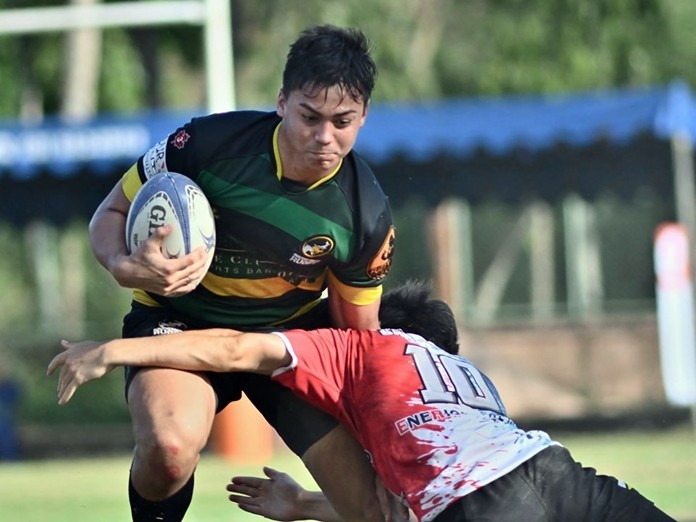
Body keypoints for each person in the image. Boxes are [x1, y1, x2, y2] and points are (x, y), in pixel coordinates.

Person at [87, 23, 395, 522]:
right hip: (179, 322)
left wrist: (376, 430)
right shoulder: (203, 145)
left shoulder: (365, 213)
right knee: (168, 451)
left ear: (363, 117)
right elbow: (110, 215)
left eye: (342, 121)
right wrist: (126, 267)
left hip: (287, 342)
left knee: (368, 506)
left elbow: (357, 339)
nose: (323, 137)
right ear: (280, 102)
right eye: (308, 116)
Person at [48, 281, 676, 522]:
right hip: (561, 474)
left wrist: (112, 351)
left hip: (484, 507)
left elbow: (235, 351)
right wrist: (304, 505)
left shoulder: (359, 349)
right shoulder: (468, 377)